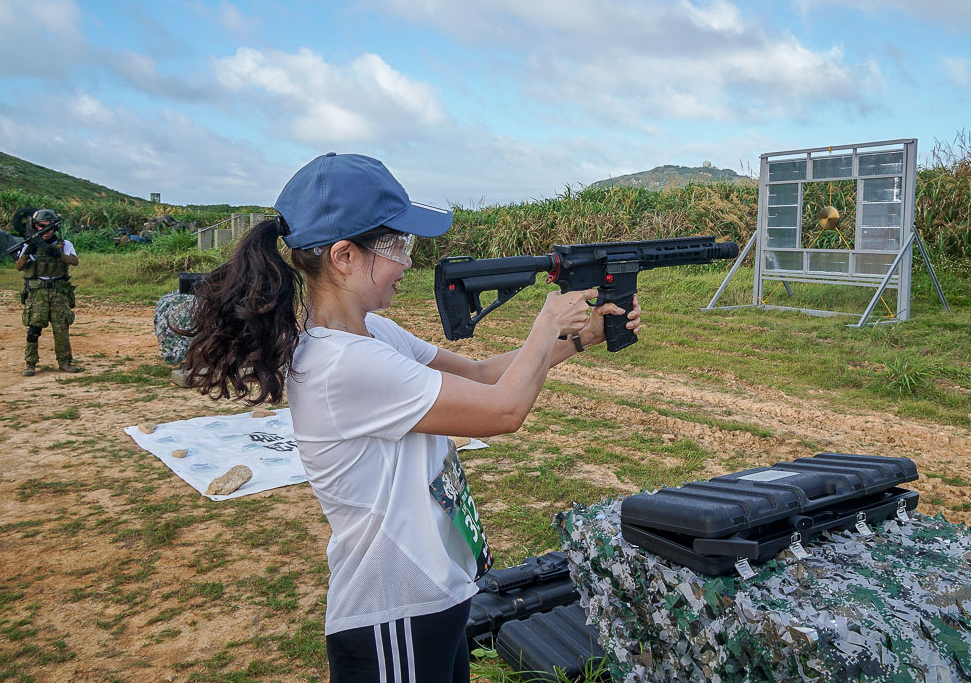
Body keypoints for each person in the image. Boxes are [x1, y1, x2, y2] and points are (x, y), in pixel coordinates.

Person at [183, 153, 640, 683]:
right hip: (391, 611)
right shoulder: (343, 365)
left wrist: (581, 337)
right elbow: (504, 410)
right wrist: (547, 320)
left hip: (430, 593)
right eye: (398, 245)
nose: (406, 262)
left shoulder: (372, 334)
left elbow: (478, 374)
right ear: (344, 256)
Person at [16, 209, 81, 375]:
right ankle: (30, 363)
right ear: (35, 226)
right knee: (34, 329)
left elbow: (74, 261)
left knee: (61, 329)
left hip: (59, 291)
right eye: (41, 226)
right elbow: (19, 266)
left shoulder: (64, 244)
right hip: (37, 293)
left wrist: (59, 254)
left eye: (49, 227)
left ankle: (65, 362)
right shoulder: (29, 244)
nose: (46, 230)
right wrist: (28, 252)